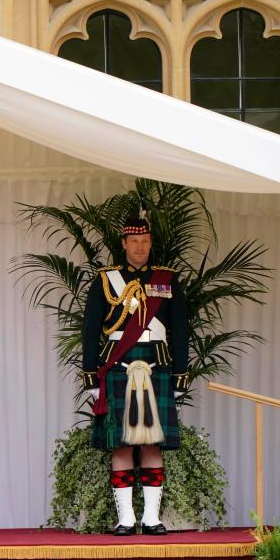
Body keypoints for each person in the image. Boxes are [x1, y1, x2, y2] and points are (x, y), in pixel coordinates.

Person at [80, 211, 188, 536]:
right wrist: (90, 377)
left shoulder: (167, 279)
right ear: (124, 243)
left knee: (153, 444)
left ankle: (152, 518)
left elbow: (181, 330)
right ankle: (125, 518)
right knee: (122, 444)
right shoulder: (106, 279)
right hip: (117, 363)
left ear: (150, 242)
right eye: (134, 241)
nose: (140, 247)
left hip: (157, 362)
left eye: (145, 241)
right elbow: (89, 330)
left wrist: (180, 377)